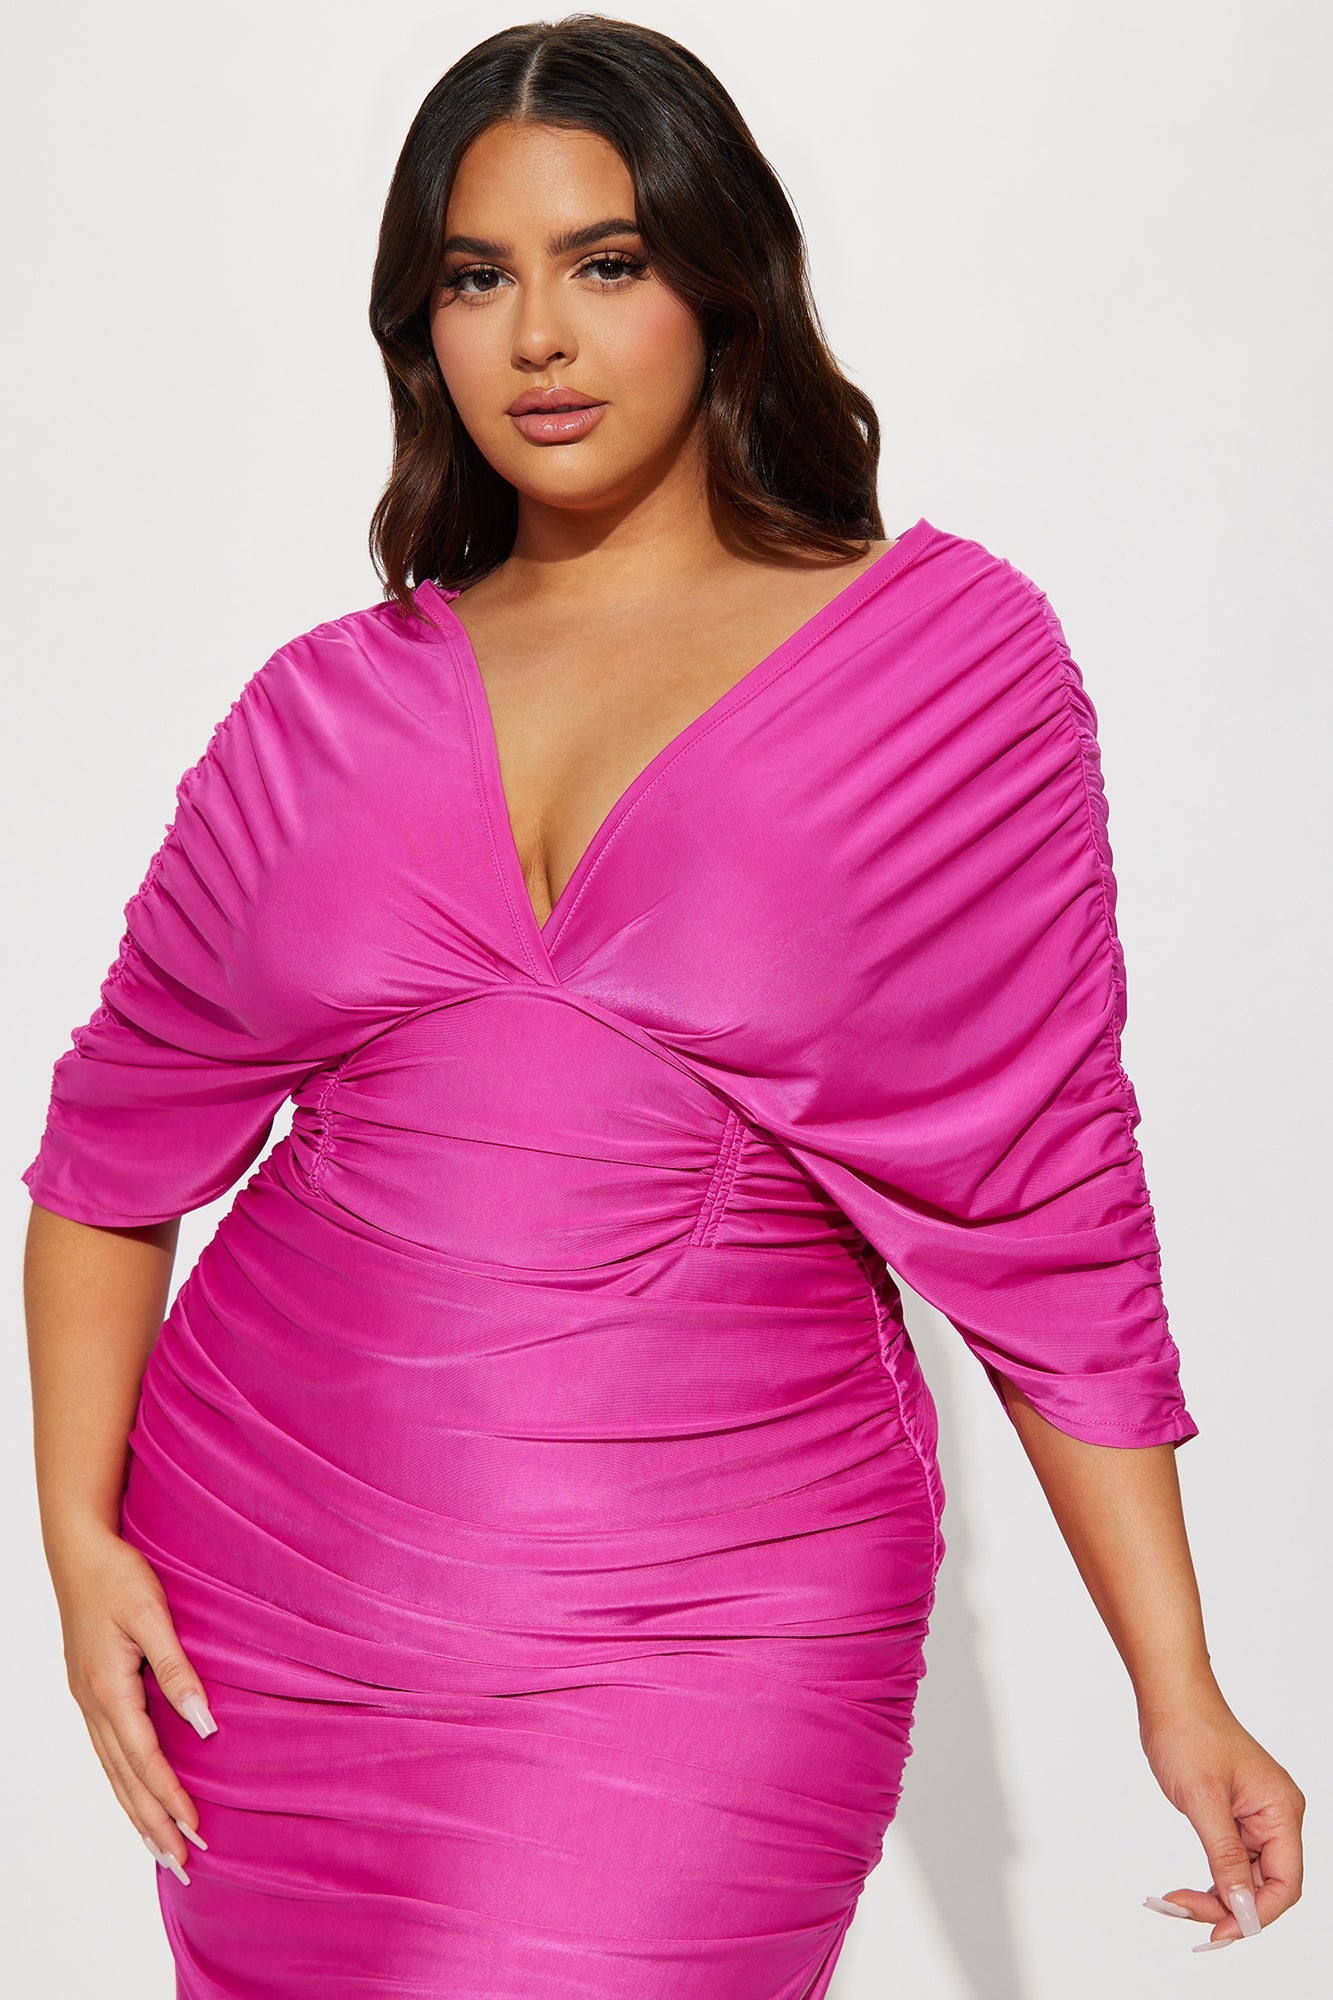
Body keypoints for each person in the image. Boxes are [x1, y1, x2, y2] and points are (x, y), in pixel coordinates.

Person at [21, 14, 1304, 1996]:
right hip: (273, 1589)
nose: (538, 336)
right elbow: (111, 1154)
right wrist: (77, 1540)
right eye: (477, 278)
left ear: (720, 282)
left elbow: (1047, 1204)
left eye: (603, 262)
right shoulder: (322, 709)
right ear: (421, 328)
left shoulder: (941, 663)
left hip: (715, 1615)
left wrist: (1175, 1682)